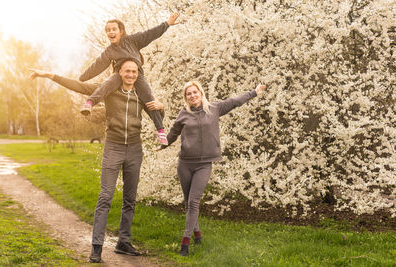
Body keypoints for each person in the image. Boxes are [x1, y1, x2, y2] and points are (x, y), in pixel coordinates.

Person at [30, 59, 164, 263]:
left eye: (134, 72)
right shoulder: (108, 89)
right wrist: (49, 75)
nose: (130, 75)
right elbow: (80, 86)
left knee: (130, 199)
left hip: (135, 149)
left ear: (138, 73)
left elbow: (156, 114)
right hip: (114, 147)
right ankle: (97, 246)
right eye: (127, 71)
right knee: (105, 197)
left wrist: (161, 107)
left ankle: (123, 242)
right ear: (119, 72)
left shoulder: (141, 93)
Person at [159, 81, 266, 256]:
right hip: (185, 163)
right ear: (186, 97)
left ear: (201, 93)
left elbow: (234, 101)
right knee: (188, 203)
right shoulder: (183, 114)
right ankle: (198, 235)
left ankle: (185, 243)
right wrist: (163, 145)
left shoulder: (214, 108)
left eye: (195, 92)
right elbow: (173, 133)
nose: (192, 96)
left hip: (204, 164)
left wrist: (253, 92)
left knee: (194, 201)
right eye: (189, 94)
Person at [79, 13, 180, 146]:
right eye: (108, 30)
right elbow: (98, 65)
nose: (111, 32)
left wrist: (166, 24)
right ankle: (90, 103)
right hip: (119, 75)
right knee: (106, 84)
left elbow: (150, 34)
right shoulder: (110, 51)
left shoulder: (133, 40)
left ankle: (160, 130)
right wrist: (83, 77)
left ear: (121, 31)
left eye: (113, 29)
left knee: (148, 96)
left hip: (137, 75)